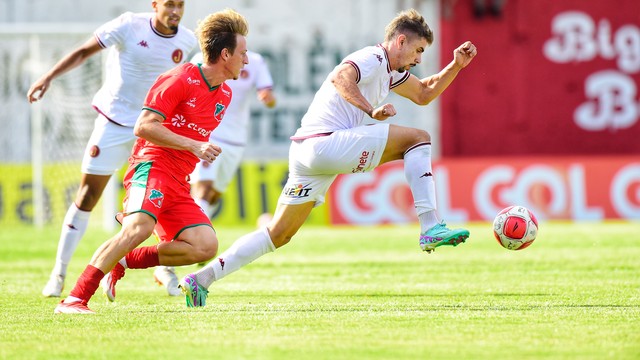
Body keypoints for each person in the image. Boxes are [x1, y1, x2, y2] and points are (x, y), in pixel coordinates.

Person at [178, 8, 477, 307]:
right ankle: (430, 227)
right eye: (418, 50)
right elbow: (340, 78)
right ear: (400, 41)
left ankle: (201, 280)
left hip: (308, 152)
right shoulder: (372, 58)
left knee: (278, 235)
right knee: (418, 139)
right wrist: (370, 111)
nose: (419, 59)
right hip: (325, 144)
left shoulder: (390, 72)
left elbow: (424, 93)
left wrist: (456, 65)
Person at [53, 8, 249, 314]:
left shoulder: (224, 94)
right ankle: (74, 298)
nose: (246, 60)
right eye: (243, 53)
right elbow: (143, 126)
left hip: (178, 183)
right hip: (152, 165)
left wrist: (194, 149)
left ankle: (125, 259)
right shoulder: (179, 78)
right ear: (226, 54)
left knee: (205, 246)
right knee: (137, 229)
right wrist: (194, 145)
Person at [27, 0, 197, 298]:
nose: (176, 11)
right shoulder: (128, 25)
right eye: (170, 4)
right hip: (115, 124)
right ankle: (59, 273)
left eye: (181, 5)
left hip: (154, 132)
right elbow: (83, 51)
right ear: (155, 5)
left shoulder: (187, 41)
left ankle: (164, 269)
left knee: (164, 202)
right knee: (87, 196)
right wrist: (48, 77)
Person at [152, 50, 276, 278]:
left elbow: (268, 92)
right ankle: (183, 245)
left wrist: (268, 98)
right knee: (204, 189)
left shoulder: (256, 61)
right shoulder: (202, 58)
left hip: (236, 140)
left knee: (213, 195)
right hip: (208, 134)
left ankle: (193, 243)